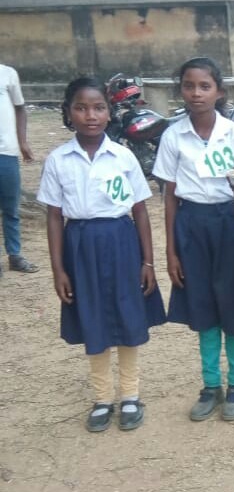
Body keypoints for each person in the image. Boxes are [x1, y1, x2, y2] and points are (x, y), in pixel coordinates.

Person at [37, 77, 166, 432]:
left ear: (110, 113)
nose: (90, 115)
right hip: (80, 245)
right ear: (68, 113)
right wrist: (58, 269)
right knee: (91, 316)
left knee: (128, 315)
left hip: (121, 241)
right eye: (81, 108)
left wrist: (148, 261)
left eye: (98, 108)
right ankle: (102, 398)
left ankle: (130, 395)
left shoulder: (123, 157)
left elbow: (140, 210)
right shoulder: (58, 160)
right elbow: (54, 216)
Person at [153, 57, 234, 422]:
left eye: (205, 86)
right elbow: (169, 196)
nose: (196, 93)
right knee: (203, 304)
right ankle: (211, 385)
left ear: (219, 92)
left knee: (233, 303)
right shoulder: (173, 136)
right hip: (192, 225)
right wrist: (171, 251)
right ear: (180, 90)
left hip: (231, 222)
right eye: (189, 86)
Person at [0, 63, 38, 276]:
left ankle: (14, 255)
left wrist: (23, 142)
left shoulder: (7, 74)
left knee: (11, 208)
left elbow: (20, 108)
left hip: (6, 153)